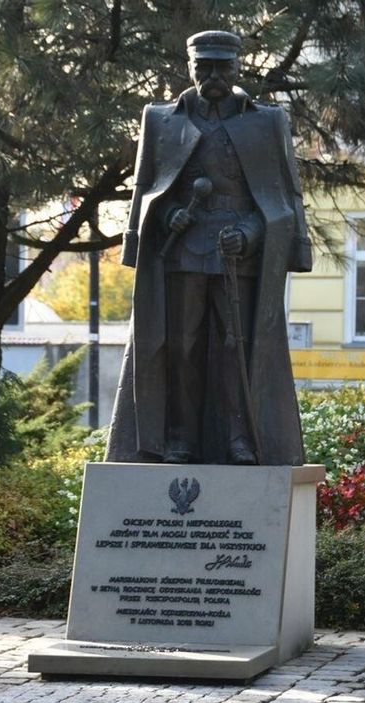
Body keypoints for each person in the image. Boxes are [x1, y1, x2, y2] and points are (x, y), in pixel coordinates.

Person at [105, 29, 313, 466]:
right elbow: (146, 188)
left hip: (241, 251)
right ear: (191, 67)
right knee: (181, 344)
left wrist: (255, 234)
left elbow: (285, 196)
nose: (214, 75)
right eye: (205, 66)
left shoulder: (267, 121)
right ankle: (179, 436)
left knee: (236, 345)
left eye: (223, 66)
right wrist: (164, 217)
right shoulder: (160, 119)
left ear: (238, 68)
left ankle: (240, 436)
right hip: (185, 248)